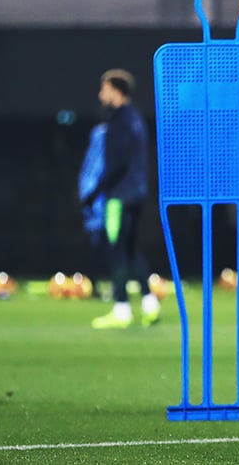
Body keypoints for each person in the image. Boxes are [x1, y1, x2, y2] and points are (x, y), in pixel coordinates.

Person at [83, 69, 161, 329]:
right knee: (130, 249)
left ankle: (121, 309)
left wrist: (94, 193)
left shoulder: (118, 122)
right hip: (136, 194)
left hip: (119, 196)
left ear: (116, 91)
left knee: (116, 249)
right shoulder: (136, 119)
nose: (100, 94)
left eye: (103, 89)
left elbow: (115, 164)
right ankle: (150, 304)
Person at [78, 121, 109, 298]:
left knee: (99, 243)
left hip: (95, 197)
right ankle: (94, 283)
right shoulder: (101, 144)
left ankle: (95, 283)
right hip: (98, 200)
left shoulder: (95, 152)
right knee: (100, 243)